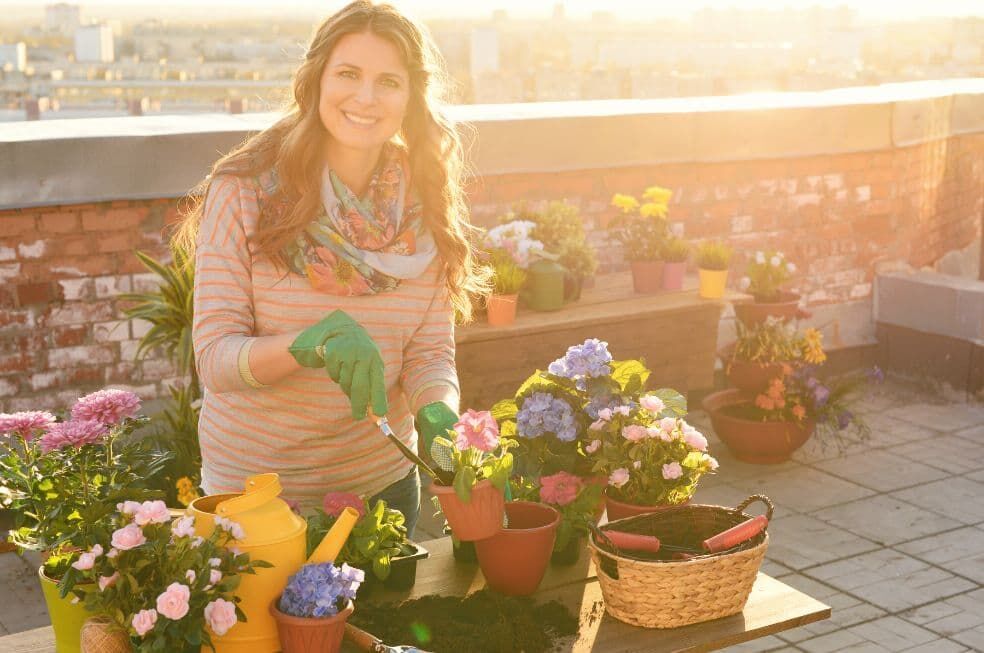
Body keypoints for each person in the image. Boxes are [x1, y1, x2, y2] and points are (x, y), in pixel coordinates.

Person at [174, 0, 489, 537]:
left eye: (388, 81)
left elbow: (430, 353)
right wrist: (308, 344)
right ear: (316, 79)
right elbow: (215, 360)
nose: (365, 98)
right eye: (348, 74)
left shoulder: (427, 198)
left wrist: (439, 412)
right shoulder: (246, 190)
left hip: (382, 493)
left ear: (410, 96)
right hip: (256, 499)